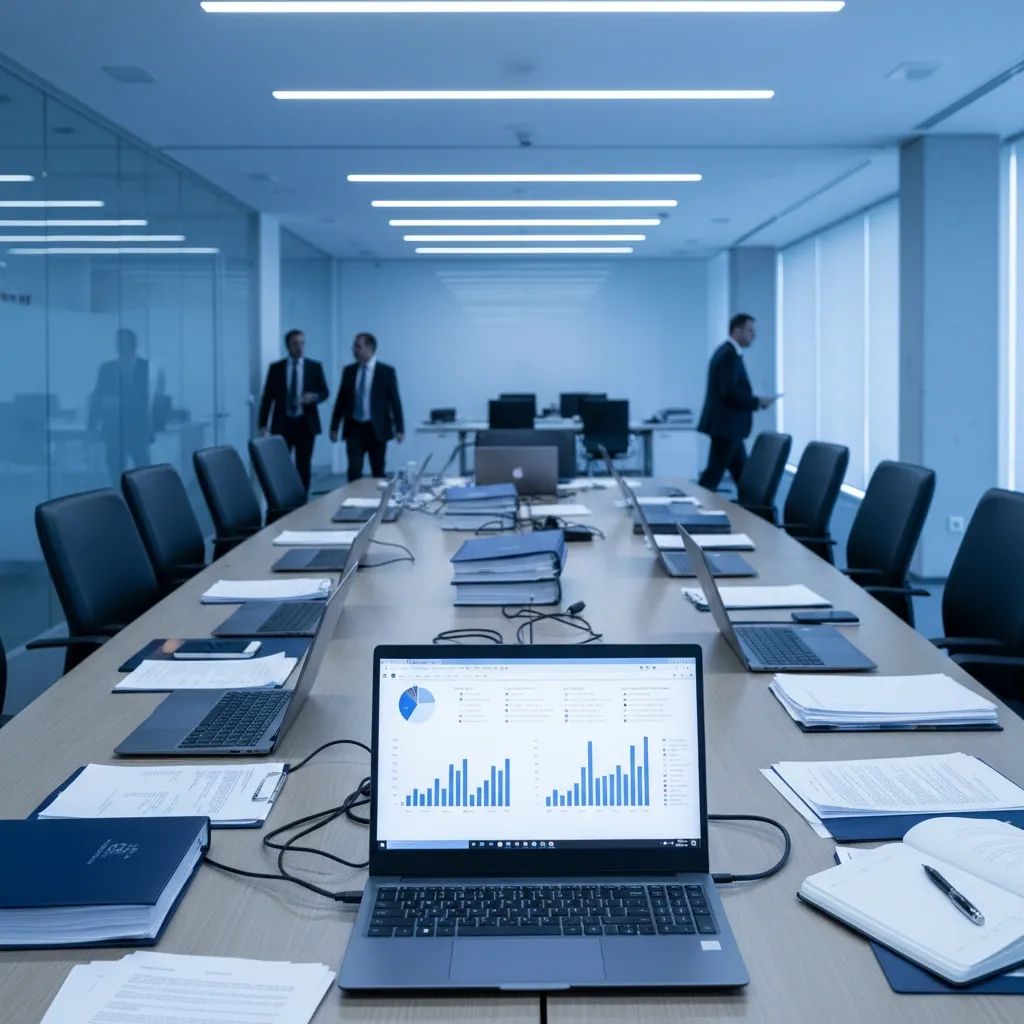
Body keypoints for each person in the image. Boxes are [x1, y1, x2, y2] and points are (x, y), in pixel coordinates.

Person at [696, 313, 776, 490]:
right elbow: (729, 391)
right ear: (737, 330)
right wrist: (757, 402)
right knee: (713, 476)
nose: (754, 335)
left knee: (743, 476)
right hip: (727, 427)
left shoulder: (728, 352)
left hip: (729, 428)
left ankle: (755, 512)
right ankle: (693, 509)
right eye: (750, 330)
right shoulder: (728, 355)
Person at [257, 329, 330, 493]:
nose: (300, 347)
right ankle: (283, 499)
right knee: (281, 464)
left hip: (306, 424)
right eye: (295, 344)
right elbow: (268, 397)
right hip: (283, 424)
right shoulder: (276, 368)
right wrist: (262, 423)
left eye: (302, 343)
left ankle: (302, 502)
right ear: (288, 346)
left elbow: (325, 392)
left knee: (304, 465)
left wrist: (314, 397)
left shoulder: (314, 367)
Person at [329, 332, 405, 481]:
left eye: (358, 346)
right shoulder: (349, 371)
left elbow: (395, 401)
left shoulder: (386, 372)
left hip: (377, 429)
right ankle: (353, 501)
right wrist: (334, 426)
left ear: (369, 348)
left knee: (378, 470)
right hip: (354, 428)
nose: (354, 350)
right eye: (354, 347)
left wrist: (400, 429)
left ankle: (378, 503)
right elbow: (341, 400)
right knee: (354, 471)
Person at [89, 328, 151, 483]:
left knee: (143, 471)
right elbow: (97, 396)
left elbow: (148, 399)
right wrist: (92, 425)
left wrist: (121, 402)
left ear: (133, 344)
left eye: (124, 342)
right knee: (115, 471)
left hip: (137, 428)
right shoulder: (107, 368)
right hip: (113, 430)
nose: (120, 346)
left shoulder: (146, 367)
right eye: (118, 342)